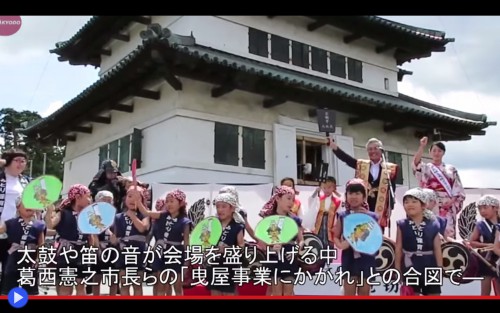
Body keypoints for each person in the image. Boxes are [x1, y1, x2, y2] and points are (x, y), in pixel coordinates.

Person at [329, 138, 398, 231]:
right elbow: (346, 159)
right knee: (359, 232)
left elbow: (392, 189)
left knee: (376, 233)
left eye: (375, 148)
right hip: (362, 203)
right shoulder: (361, 165)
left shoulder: (390, 168)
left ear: (381, 150)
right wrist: (334, 147)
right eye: (370, 149)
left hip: (380, 205)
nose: (373, 151)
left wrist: (390, 208)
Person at [137, 189, 192, 296]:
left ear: (180, 203)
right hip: (160, 252)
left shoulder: (185, 221)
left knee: (177, 284)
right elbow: (146, 212)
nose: (168, 204)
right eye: (167, 201)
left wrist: (187, 261)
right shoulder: (162, 215)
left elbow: (186, 243)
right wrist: (138, 201)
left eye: (172, 201)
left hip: (175, 253)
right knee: (161, 283)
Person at [44, 184, 96, 295]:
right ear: (78, 198)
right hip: (66, 251)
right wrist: (49, 212)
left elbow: (90, 236)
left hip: (83, 251)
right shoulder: (63, 213)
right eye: (88, 196)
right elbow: (50, 225)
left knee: (81, 284)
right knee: (66, 284)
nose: (90, 199)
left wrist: (92, 250)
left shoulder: (88, 215)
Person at [412, 136, 466, 239]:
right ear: (430, 152)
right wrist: (421, 146)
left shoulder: (451, 169)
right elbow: (416, 164)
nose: (436, 153)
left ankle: (448, 252)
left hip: (447, 203)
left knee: (448, 231)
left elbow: (457, 188)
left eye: (439, 151)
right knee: (429, 229)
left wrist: (452, 201)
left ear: (443, 153)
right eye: (434, 150)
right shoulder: (426, 167)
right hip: (430, 203)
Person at [333, 178, 377, 296]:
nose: (353, 196)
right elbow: (336, 236)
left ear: (364, 196)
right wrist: (341, 244)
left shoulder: (372, 216)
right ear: (346, 196)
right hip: (348, 258)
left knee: (364, 292)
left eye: (357, 193)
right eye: (350, 193)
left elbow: (376, 238)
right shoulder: (342, 216)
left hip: (366, 259)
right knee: (349, 292)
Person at [395, 188, 442, 296]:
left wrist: (439, 269)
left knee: (433, 294)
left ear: (423, 205)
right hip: (410, 266)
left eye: (414, 201)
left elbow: (437, 249)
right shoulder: (402, 224)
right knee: (412, 294)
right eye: (406, 202)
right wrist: (397, 269)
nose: (410, 204)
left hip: (430, 266)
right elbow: (398, 248)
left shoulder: (434, 224)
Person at [260, 186, 304, 296]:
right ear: (278, 199)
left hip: (290, 257)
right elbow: (263, 241)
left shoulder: (295, 219)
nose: (291, 202)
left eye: (293, 200)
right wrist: (271, 247)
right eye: (288, 198)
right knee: (276, 292)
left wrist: (298, 250)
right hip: (274, 258)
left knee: (288, 292)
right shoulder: (269, 218)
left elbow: (301, 240)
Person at [0, 197, 46, 295]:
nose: (29, 206)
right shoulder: (10, 222)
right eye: (25, 203)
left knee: (29, 288)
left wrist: (39, 259)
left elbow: (41, 243)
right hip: (14, 257)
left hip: (30, 258)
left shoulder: (39, 224)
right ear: (18, 207)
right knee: (10, 286)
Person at [0, 148, 31, 291]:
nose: (20, 164)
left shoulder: (26, 181)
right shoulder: (1, 177)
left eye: (23, 161)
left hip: (16, 231)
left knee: (11, 270)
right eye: (16, 160)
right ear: (7, 161)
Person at [206, 192, 245, 296]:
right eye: (218, 207)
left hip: (229, 265)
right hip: (213, 263)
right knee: (215, 292)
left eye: (224, 206)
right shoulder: (212, 224)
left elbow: (241, 246)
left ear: (232, 208)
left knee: (229, 293)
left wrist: (228, 249)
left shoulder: (237, 226)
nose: (220, 210)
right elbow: (205, 242)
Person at [113, 186, 150, 296]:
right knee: (124, 283)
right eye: (129, 196)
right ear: (125, 199)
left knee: (137, 284)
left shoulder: (145, 214)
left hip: (138, 251)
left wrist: (132, 216)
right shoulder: (118, 217)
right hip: (123, 252)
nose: (132, 199)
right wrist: (113, 239)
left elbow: (143, 228)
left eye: (137, 197)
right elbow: (115, 236)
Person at [468, 195, 500, 296]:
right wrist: (487, 245)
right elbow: (472, 242)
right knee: (485, 290)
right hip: (486, 259)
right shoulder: (481, 225)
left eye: (485, 207)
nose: (482, 211)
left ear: (495, 208)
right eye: (480, 208)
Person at [305, 176, 342, 248]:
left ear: (334, 187)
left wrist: (336, 227)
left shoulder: (338, 201)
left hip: (331, 225)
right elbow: (311, 202)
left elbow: (338, 215)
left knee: (329, 243)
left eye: (329, 187)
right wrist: (316, 192)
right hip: (320, 223)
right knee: (318, 242)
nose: (326, 190)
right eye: (324, 188)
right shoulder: (319, 199)